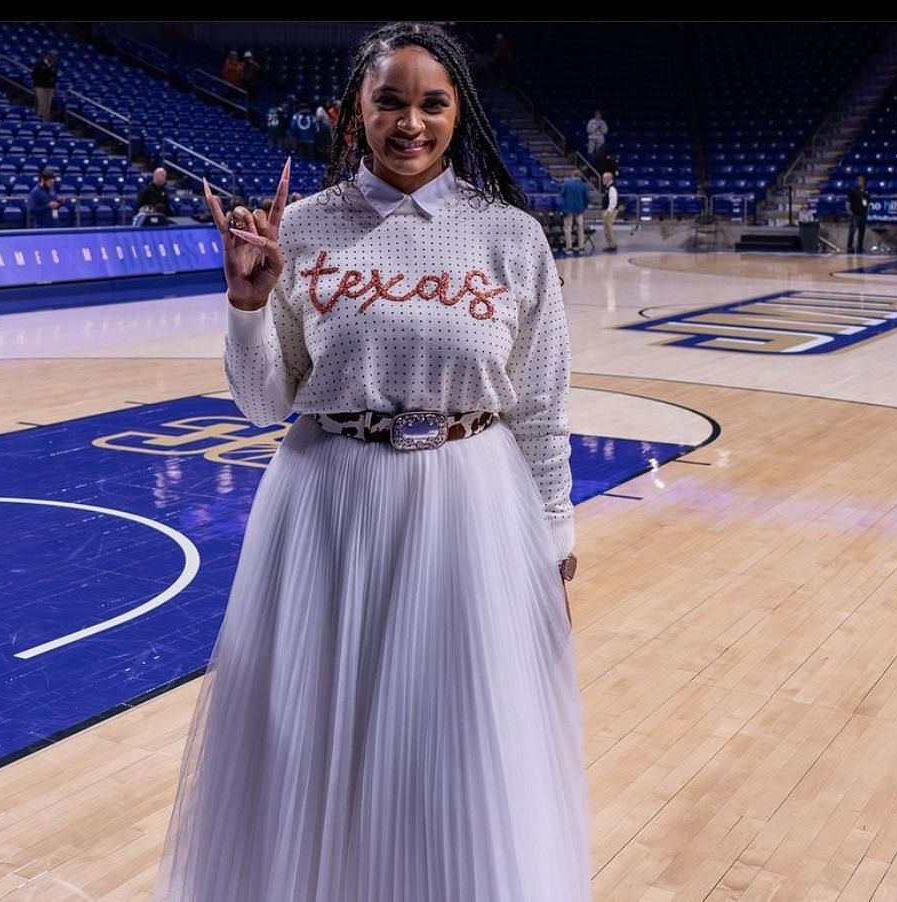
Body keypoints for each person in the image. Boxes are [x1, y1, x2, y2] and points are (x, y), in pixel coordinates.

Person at [156, 21, 589, 902]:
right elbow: (264, 404)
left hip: (471, 502)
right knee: (313, 734)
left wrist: (555, 540)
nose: (411, 122)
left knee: (457, 737)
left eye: (432, 103)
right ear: (354, 110)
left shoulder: (511, 237)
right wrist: (247, 304)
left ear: (458, 112)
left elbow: (540, 407)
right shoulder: (303, 230)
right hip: (327, 499)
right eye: (389, 100)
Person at [561, 168, 590, 253]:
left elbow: (562, 194)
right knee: (580, 228)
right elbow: (587, 198)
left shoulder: (567, 183)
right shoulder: (583, 185)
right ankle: (581, 247)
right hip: (580, 209)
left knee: (568, 228)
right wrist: (584, 207)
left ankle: (569, 247)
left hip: (568, 208)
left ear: (572, 175)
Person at [846, 174, 869, 254]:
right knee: (852, 231)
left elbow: (867, 202)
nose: (860, 182)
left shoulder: (866, 191)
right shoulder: (853, 190)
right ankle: (849, 246)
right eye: (859, 181)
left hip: (863, 213)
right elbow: (848, 201)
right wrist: (849, 211)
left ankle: (859, 247)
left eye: (862, 181)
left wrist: (867, 210)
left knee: (862, 231)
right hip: (855, 213)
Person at [33, 50, 57, 122]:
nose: (53, 58)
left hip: (50, 87)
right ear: (48, 56)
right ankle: (39, 118)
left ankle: (46, 118)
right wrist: (34, 85)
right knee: (42, 102)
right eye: (52, 56)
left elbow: (54, 76)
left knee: (48, 103)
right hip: (40, 86)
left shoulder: (54, 66)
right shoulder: (39, 64)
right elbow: (34, 75)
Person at [601, 169, 619, 252]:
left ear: (608, 179)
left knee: (609, 228)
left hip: (609, 211)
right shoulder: (607, 188)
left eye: (604, 178)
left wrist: (609, 211)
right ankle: (610, 244)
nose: (602, 180)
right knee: (606, 229)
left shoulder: (611, 188)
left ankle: (613, 245)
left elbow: (613, 201)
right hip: (607, 210)